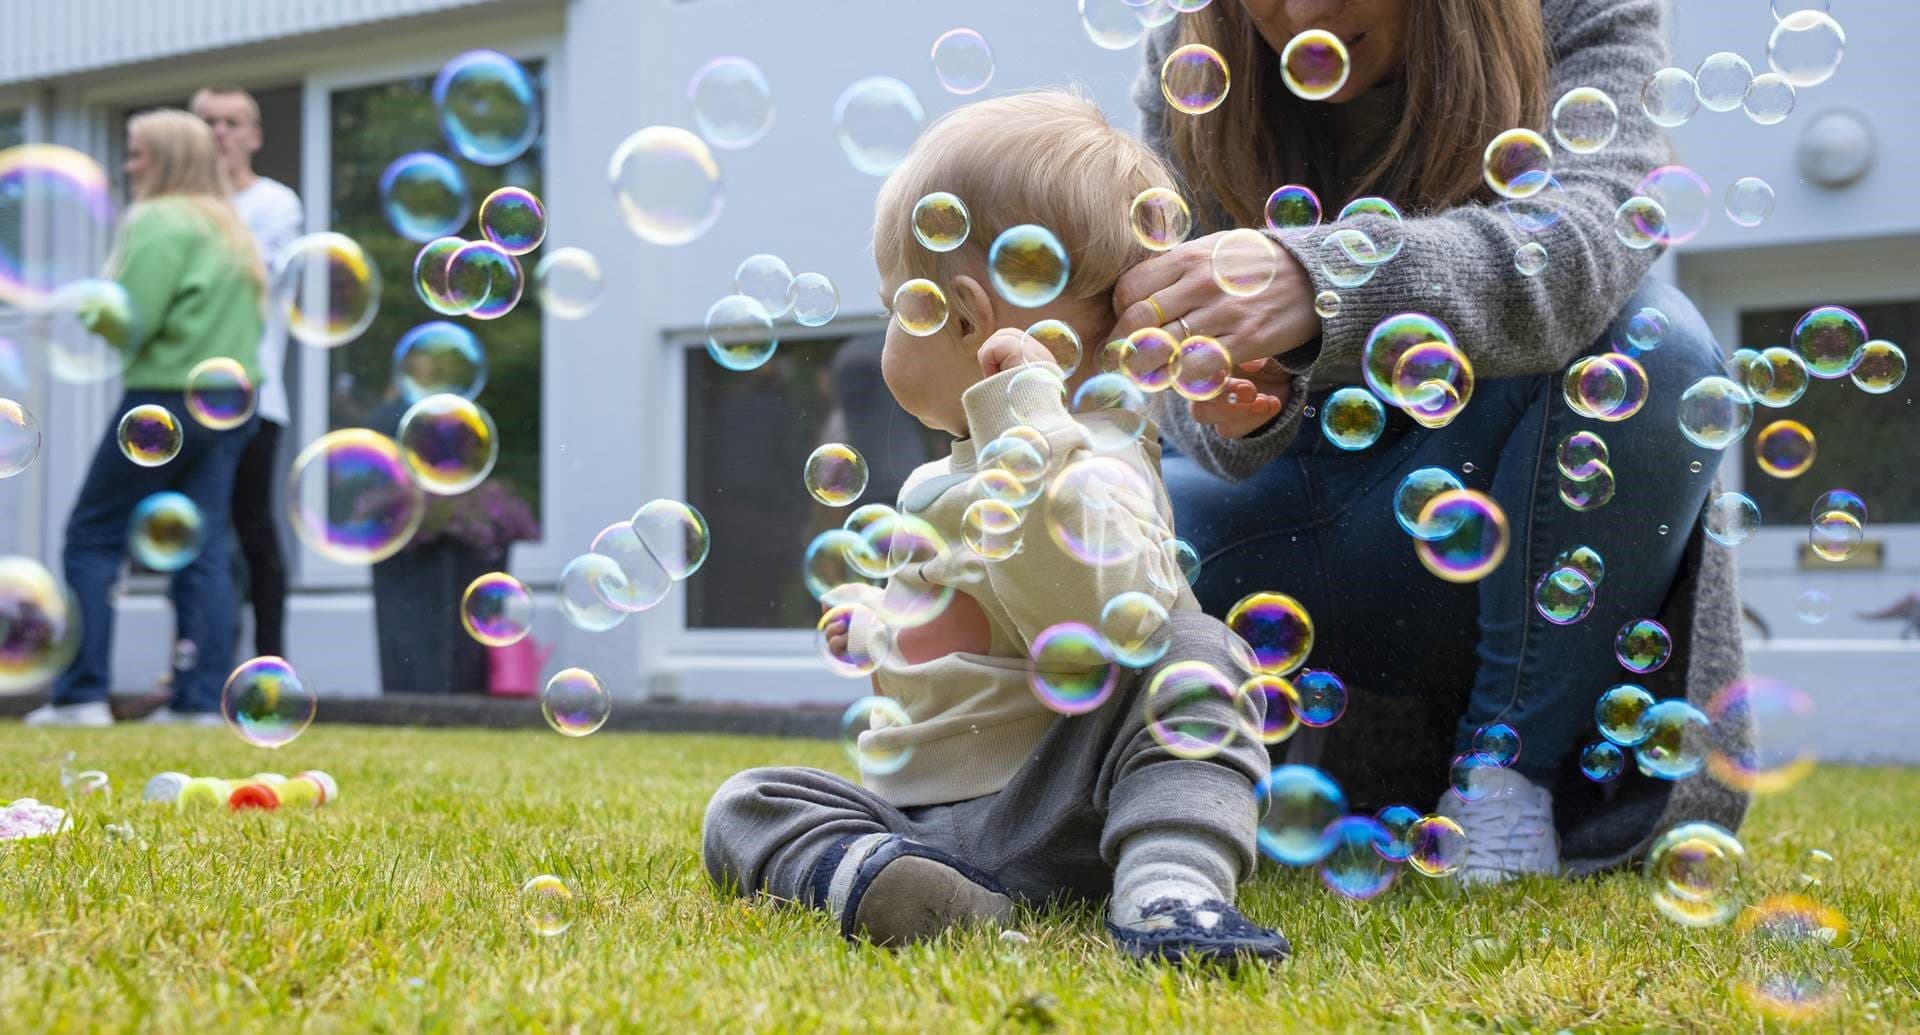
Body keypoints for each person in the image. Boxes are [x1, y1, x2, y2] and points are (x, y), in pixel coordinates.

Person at [1117, 0, 1748, 883]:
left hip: (1503, 513)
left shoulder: (1579, 11)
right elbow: (1169, 357)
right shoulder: (1184, 50)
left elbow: (1590, 236)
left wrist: (1325, 278)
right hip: (1273, 516)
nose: (1303, 14)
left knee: (1665, 347)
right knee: (1089, 512)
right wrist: (1235, 408)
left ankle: (1504, 782)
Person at [702, 90, 1290, 965]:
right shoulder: (958, 467)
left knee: (1195, 655)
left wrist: (1026, 422)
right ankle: (898, 878)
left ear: (967, 317)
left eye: (896, 304)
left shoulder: (1086, 453)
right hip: (928, 817)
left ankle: (1172, 885)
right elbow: (964, 623)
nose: (887, 327)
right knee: (747, 801)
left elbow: (1097, 614)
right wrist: (880, 621)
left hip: (1070, 798)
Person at [24, 110, 264, 727]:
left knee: (92, 535)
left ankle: (81, 697)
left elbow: (134, 319)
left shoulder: (157, 219)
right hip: (230, 401)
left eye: (137, 154)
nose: (128, 165)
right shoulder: (228, 226)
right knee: (205, 546)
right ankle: (198, 703)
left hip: (164, 400)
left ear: (165, 158)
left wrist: (88, 306)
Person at [191, 86, 302, 659]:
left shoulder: (276, 202)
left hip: (259, 399)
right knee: (190, 536)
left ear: (255, 136)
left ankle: (268, 667)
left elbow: (255, 276)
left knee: (254, 532)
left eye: (232, 123)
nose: (220, 133)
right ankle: (193, 668)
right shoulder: (179, 207)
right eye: (208, 122)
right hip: (186, 397)